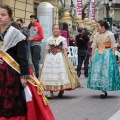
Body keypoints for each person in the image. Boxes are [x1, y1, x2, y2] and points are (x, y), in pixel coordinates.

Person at [0, 3, 54, 120]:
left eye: (3, 15)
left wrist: (24, 75)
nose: (0, 17)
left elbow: (22, 57)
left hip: (13, 73)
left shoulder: (16, 34)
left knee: (13, 101)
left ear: (10, 17)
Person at [39, 24, 80, 98]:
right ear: (52, 30)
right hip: (50, 57)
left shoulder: (62, 39)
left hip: (60, 57)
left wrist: (67, 61)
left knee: (60, 74)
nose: (55, 30)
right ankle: (51, 92)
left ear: (59, 30)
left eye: (57, 29)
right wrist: (44, 61)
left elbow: (64, 51)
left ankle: (61, 90)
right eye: (54, 29)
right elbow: (47, 51)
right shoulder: (49, 39)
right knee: (50, 74)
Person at [87, 20, 120, 99]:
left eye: (98, 26)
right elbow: (94, 45)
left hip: (107, 54)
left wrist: (113, 56)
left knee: (106, 71)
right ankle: (102, 89)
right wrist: (92, 56)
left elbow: (113, 45)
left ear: (103, 27)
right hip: (98, 54)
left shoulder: (110, 34)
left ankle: (104, 90)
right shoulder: (96, 35)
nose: (97, 28)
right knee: (98, 71)